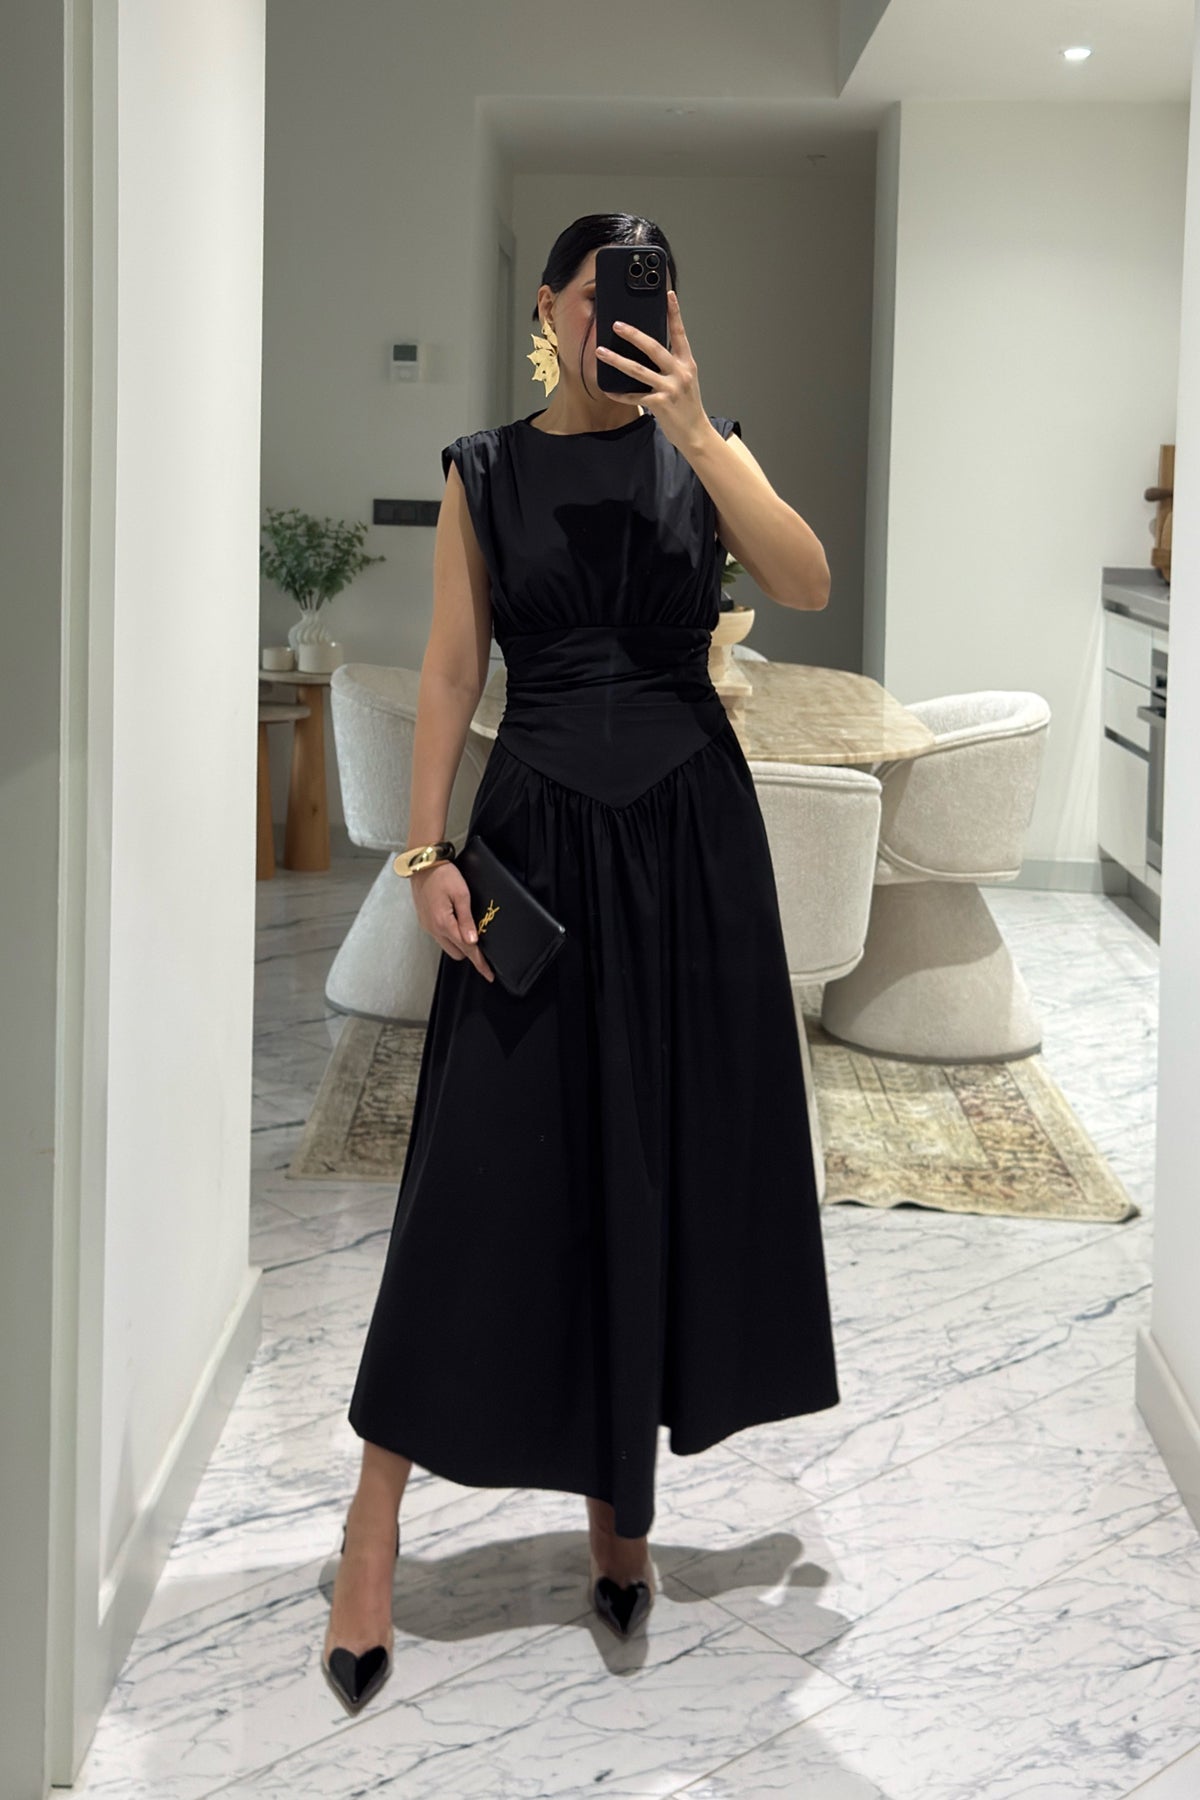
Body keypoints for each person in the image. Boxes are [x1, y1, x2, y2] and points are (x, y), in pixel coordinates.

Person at [321, 212, 840, 1712]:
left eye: (653, 291)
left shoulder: (704, 450)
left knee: (663, 1164)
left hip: (691, 847)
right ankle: (371, 1529)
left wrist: (701, 433)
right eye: (602, 290)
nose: (627, 312)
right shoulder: (484, 469)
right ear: (550, 307)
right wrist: (424, 850)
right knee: (474, 1177)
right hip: (538, 841)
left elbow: (805, 581)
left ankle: (623, 1514)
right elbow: (451, 667)